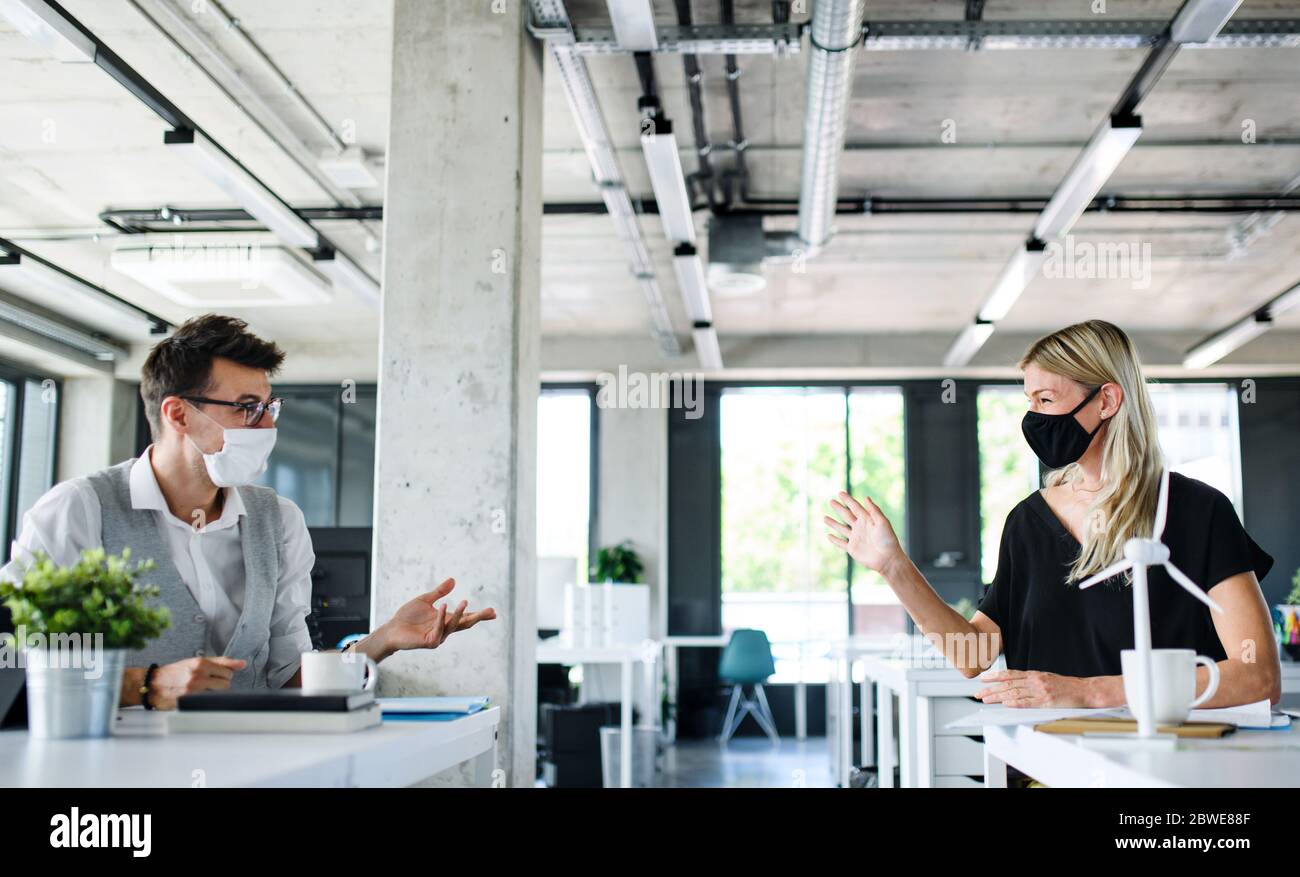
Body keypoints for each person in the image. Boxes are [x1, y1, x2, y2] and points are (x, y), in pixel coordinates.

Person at [1, 314, 496, 709]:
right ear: (178, 413)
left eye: (268, 408)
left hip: (250, 765)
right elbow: (15, 661)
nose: (263, 426)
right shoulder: (80, 510)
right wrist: (144, 685)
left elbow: (287, 679)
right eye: (245, 408)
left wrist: (383, 639)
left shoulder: (279, 522)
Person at [824, 319, 1280, 708]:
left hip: (1167, 764)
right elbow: (973, 654)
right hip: (1047, 763)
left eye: (1046, 400)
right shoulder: (1027, 523)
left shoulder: (1197, 512)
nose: (1033, 417)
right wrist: (894, 567)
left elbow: (1259, 676)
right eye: (1029, 401)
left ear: (1106, 401)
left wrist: (1091, 693)